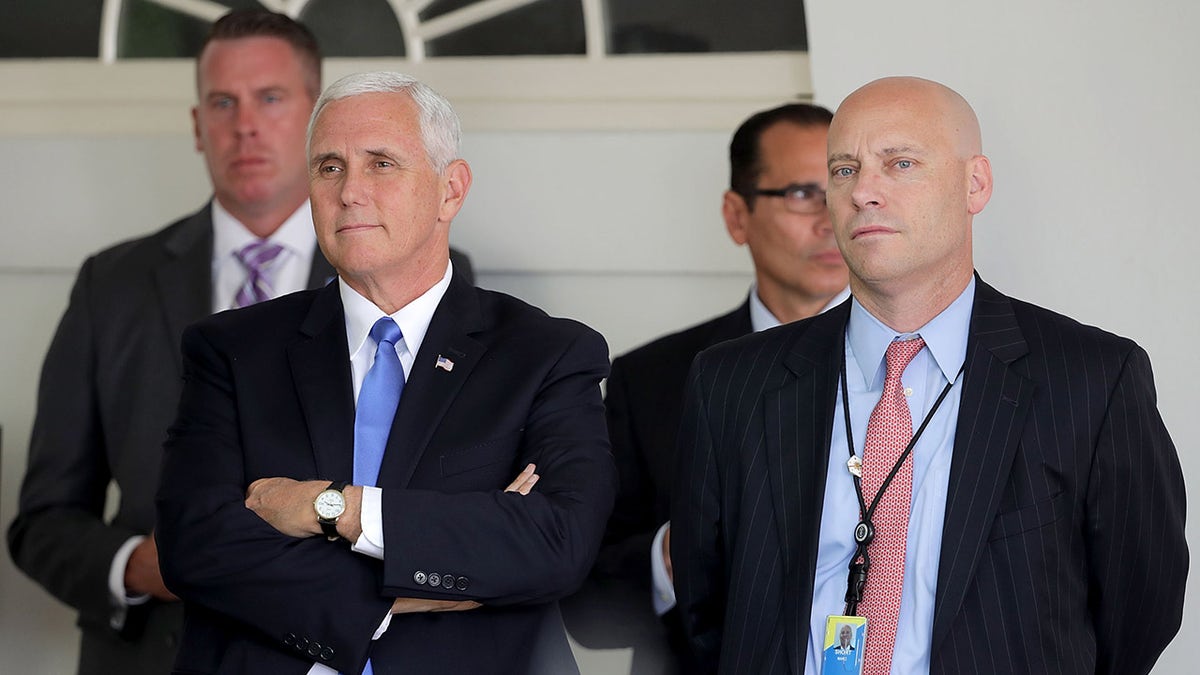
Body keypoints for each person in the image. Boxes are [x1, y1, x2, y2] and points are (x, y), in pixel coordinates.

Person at [671, 76, 1186, 674]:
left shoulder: (1092, 380)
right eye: (843, 170)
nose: (864, 190)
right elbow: (706, 608)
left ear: (975, 183)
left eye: (901, 163)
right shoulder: (731, 382)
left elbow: (1139, 608)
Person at [154, 71, 616, 674]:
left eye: (381, 164)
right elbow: (196, 548)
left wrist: (332, 508)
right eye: (329, 167)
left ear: (451, 189)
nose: (349, 192)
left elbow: (557, 543)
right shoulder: (230, 350)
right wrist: (427, 574)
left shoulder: (547, 355)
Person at [7, 10, 339, 674]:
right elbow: (43, 519)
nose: (245, 124)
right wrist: (137, 566)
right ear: (197, 126)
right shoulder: (112, 285)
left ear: (317, 118)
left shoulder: (406, 276)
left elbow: (439, 510)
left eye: (270, 98)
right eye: (223, 102)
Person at [575, 103, 848, 670]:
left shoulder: (924, 364)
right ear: (736, 215)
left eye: (845, 183)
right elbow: (585, 598)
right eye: (802, 192)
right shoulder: (651, 379)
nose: (831, 217)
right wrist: (670, 557)